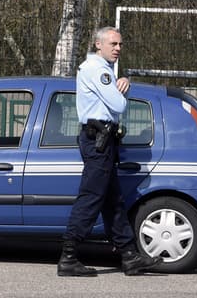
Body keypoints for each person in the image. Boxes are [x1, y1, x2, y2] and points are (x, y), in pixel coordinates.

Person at [58, 26, 162, 277]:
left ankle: (129, 256)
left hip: (102, 140)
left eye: (120, 44)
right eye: (113, 44)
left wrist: (120, 82)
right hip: (98, 141)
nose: (117, 49)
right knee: (91, 197)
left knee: (112, 200)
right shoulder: (97, 70)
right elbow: (118, 104)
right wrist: (122, 88)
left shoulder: (103, 70)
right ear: (98, 44)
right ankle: (68, 257)